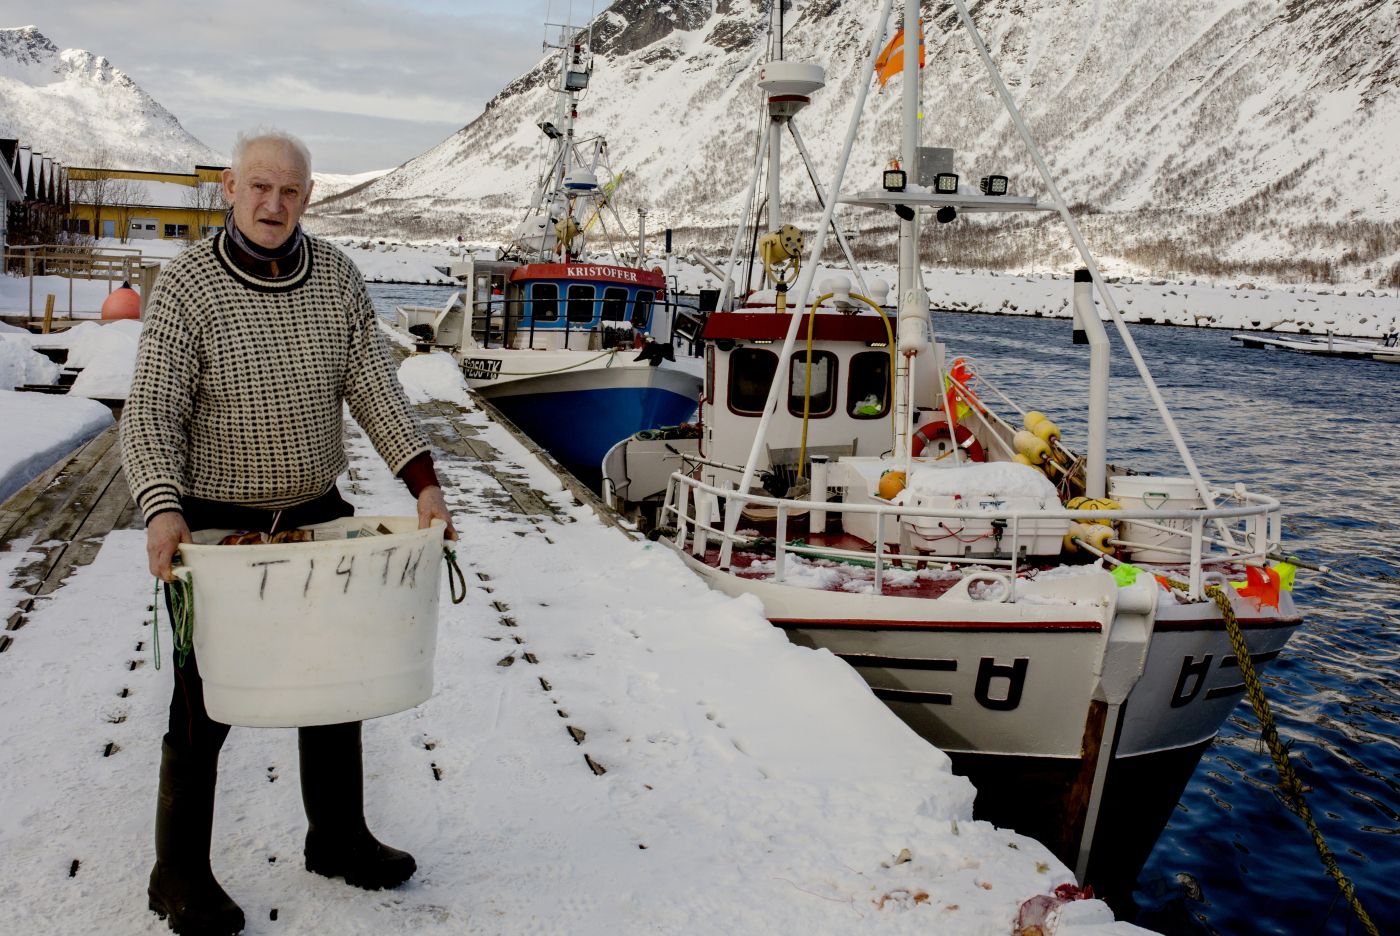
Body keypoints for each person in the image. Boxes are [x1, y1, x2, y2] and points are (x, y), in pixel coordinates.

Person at [122, 128, 456, 936]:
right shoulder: (188, 286)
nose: (274, 204)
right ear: (230, 189)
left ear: (308, 198)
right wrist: (162, 506)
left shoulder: (337, 278)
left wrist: (425, 483)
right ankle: (177, 874)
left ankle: (336, 838)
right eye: (260, 187)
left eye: (292, 191)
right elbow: (152, 411)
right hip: (218, 530)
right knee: (206, 699)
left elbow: (373, 386)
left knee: (337, 678)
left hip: (315, 513)